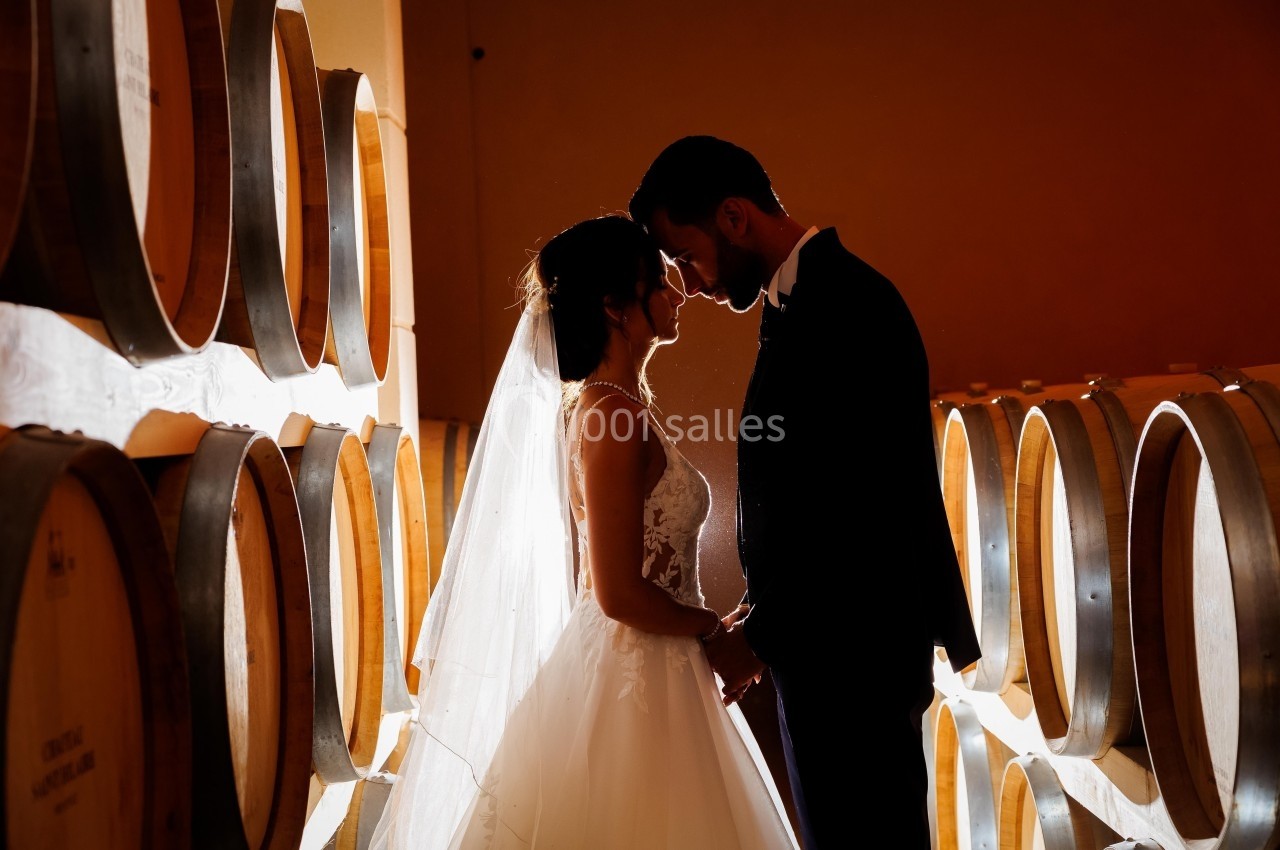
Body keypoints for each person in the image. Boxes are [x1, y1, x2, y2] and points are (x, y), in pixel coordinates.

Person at [369, 214, 799, 849]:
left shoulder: (619, 409)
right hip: (636, 673)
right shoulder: (609, 416)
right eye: (659, 281)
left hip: (662, 668)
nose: (678, 291)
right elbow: (618, 593)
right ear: (615, 306)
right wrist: (709, 627)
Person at [629, 136, 982, 849]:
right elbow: (805, 493)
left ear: (734, 217)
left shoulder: (848, 305)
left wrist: (756, 637)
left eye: (688, 258)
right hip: (823, 651)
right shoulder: (801, 299)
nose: (690, 284)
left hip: (855, 658)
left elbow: (854, 513)